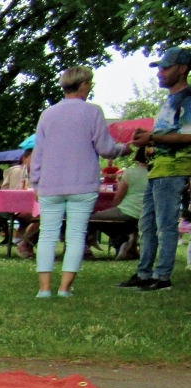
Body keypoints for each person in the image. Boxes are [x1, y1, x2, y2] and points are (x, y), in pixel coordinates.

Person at [30, 66, 130, 298]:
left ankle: (44, 289)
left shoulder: (48, 113)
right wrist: (123, 148)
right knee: (76, 235)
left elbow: (39, 152)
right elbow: (106, 149)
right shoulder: (93, 111)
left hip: (50, 184)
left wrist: (36, 181)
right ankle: (64, 288)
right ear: (84, 85)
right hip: (83, 184)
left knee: (47, 234)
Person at [118, 47, 191, 293]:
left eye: (165, 68)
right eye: (159, 68)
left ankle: (162, 277)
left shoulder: (188, 98)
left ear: (182, 69)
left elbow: (188, 136)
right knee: (146, 224)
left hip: (174, 169)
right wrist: (149, 140)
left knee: (166, 225)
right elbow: (166, 134)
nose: (160, 73)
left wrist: (154, 138)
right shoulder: (170, 99)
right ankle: (144, 273)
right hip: (158, 169)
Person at [95, 150, 148, 260]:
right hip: (147, 212)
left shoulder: (130, 172)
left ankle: (122, 240)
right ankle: (130, 246)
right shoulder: (155, 174)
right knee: (125, 224)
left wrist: (113, 207)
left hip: (127, 210)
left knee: (93, 219)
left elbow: (119, 196)